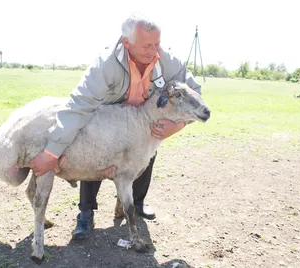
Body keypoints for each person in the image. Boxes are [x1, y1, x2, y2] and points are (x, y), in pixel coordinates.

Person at [30, 13, 202, 240]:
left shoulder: (168, 61)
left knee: (146, 155)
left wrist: (177, 125)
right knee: (94, 155)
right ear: (127, 43)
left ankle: (134, 204)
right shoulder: (105, 64)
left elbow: (194, 96)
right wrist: (51, 152)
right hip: (108, 122)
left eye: (158, 44)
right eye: (147, 45)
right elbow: (78, 106)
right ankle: (86, 212)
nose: (155, 51)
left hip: (143, 119)